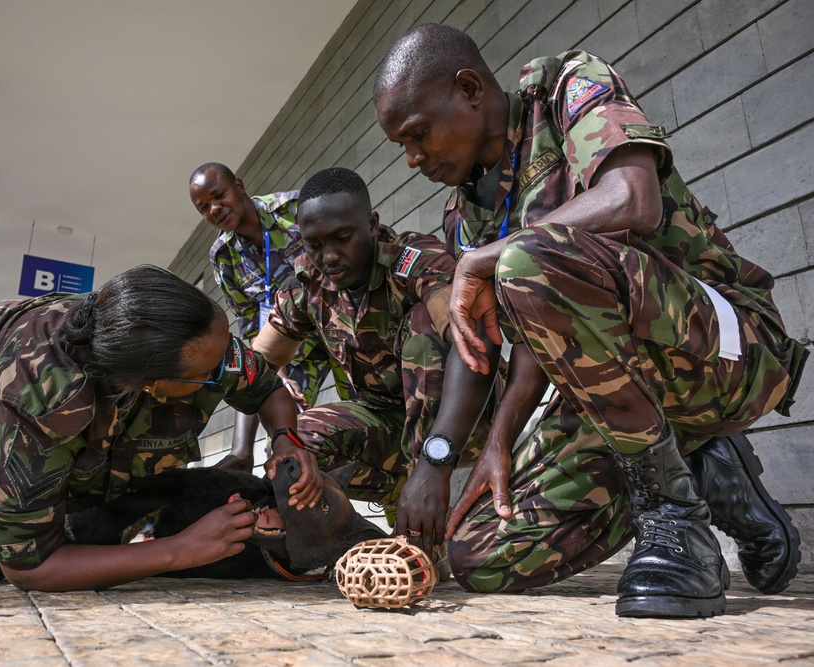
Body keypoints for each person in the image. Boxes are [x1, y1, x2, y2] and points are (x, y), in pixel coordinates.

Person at [374, 23, 807, 617]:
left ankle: (675, 516)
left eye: (417, 135)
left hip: (731, 350)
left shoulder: (567, 86)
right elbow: (527, 344)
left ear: (470, 88)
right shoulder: (465, 214)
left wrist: (488, 258)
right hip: (618, 397)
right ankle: (703, 465)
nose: (412, 158)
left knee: (526, 257)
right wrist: (496, 441)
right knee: (480, 554)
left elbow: (634, 195)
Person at [0, 265, 323, 592]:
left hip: (94, 393)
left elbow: (267, 388)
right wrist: (177, 551)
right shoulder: (46, 401)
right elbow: (28, 568)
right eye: (209, 372)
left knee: (111, 487)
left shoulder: (191, 337)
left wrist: (287, 439)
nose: (225, 370)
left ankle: (41, 495)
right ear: (152, 384)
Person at [252, 167, 499, 555]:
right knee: (298, 441)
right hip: (383, 426)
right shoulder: (308, 286)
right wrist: (243, 450)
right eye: (314, 244)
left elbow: (467, 336)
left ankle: (427, 512)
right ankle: (358, 534)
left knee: (425, 323)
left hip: (460, 420)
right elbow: (254, 368)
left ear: (371, 224)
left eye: (342, 238)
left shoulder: (413, 259)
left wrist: (433, 464)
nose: (328, 257)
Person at [189, 163, 346, 470]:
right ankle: (245, 457)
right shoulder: (223, 256)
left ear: (239, 185)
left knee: (367, 411)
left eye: (219, 195)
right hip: (293, 350)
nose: (215, 209)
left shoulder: (294, 208)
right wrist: (280, 375)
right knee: (284, 440)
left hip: (341, 327)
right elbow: (249, 324)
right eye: (204, 208)